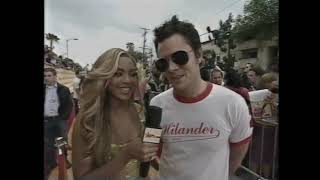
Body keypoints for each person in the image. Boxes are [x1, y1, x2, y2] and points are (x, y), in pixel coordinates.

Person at [151, 15, 253, 180]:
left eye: (180, 57)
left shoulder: (233, 103)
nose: (171, 68)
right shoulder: (155, 104)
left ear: (198, 55)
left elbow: (238, 149)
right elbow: (151, 146)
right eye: (163, 63)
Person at [71, 48, 159, 180]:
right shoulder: (87, 120)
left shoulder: (141, 111)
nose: (128, 80)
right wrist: (125, 155)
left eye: (133, 74)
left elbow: (148, 153)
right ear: (103, 77)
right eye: (118, 74)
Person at [44, 68, 73, 180]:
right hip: (47, 121)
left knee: (60, 142)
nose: (46, 78)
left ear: (55, 76)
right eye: (45, 76)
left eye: (49, 75)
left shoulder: (63, 89)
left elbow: (69, 105)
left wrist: (62, 119)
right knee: (48, 144)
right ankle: (52, 163)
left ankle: (63, 160)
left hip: (59, 120)